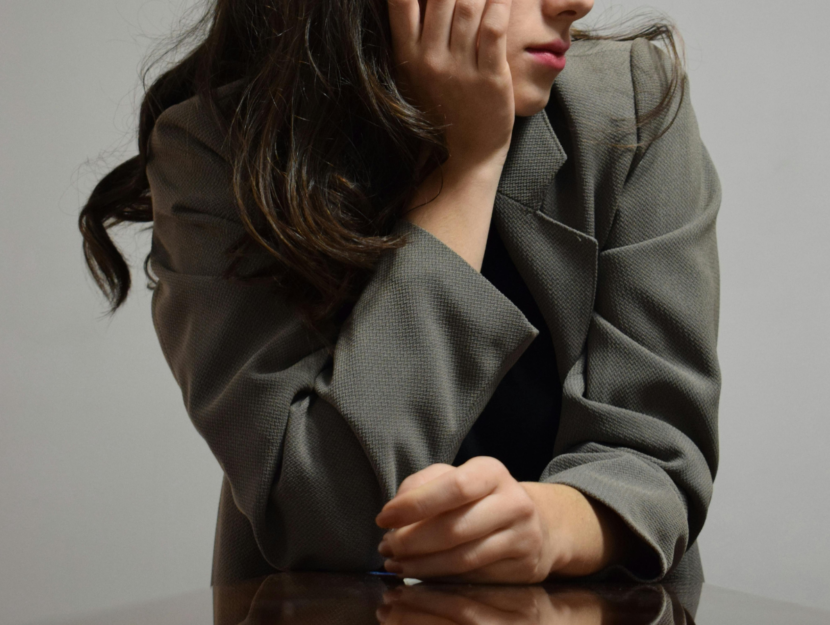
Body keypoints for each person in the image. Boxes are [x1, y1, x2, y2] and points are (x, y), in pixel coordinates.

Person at [79, 0, 721, 586]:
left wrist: (552, 524)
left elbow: (659, 452)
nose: (575, 3)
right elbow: (323, 514)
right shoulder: (214, 153)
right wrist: (467, 167)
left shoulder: (632, 105)